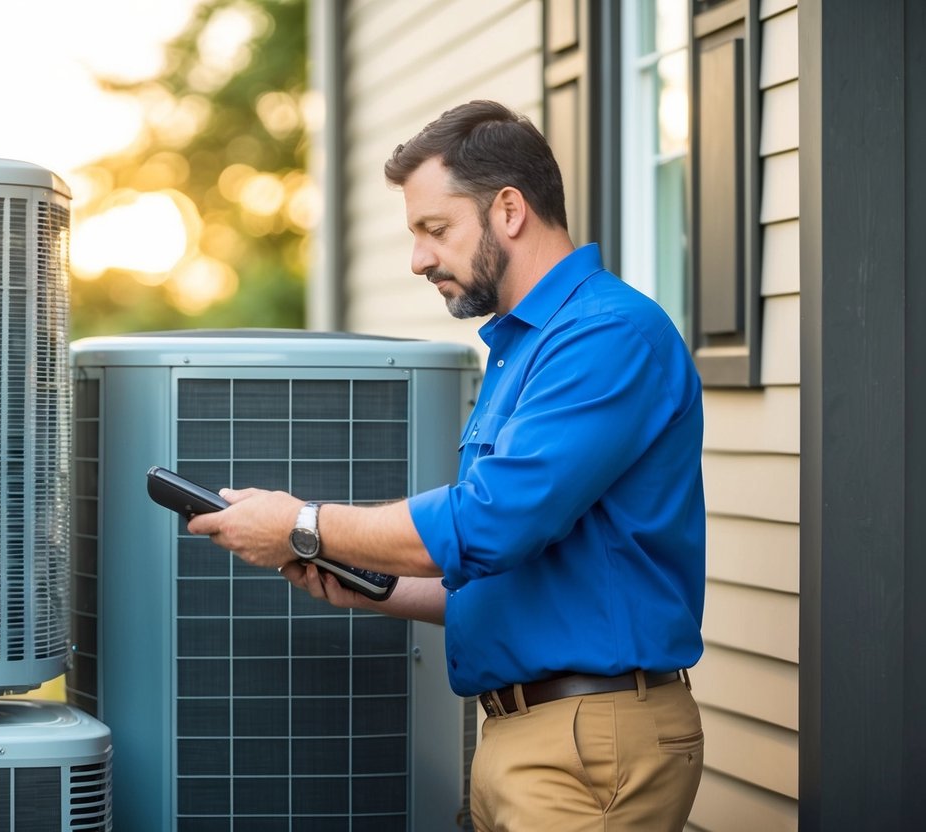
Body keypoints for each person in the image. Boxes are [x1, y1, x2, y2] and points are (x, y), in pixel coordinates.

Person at [189, 99, 706, 831]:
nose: (418, 259)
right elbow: (516, 570)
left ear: (508, 209)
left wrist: (306, 524)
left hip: (588, 740)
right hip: (530, 734)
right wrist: (364, 583)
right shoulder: (524, 347)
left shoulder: (606, 336)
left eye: (435, 229)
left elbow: (490, 523)